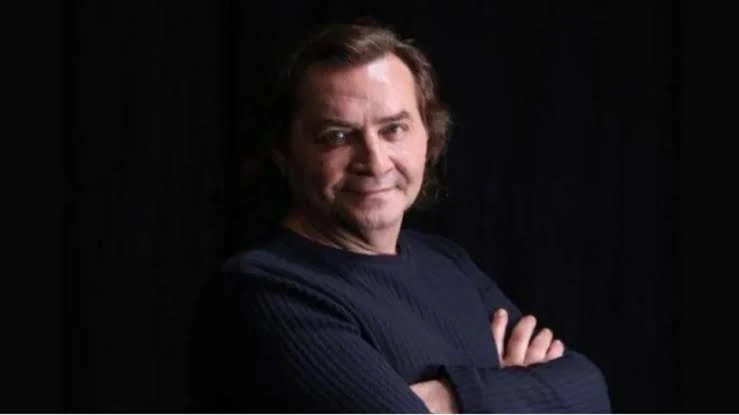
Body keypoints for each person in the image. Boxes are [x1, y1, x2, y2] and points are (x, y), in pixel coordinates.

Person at [188, 20, 611, 413]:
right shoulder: (263, 291)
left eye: (393, 129)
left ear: (430, 137)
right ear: (284, 154)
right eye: (337, 136)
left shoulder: (447, 264)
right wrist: (519, 392)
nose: (374, 161)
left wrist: (447, 398)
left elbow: (590, 392)